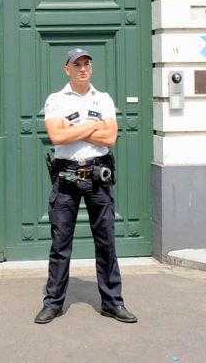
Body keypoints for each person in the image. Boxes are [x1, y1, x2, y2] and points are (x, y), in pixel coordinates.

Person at [34, 47, 137, 325]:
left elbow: (111, 137)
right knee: (60, 245)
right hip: (66, 178)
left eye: (86, 63)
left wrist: (74, 129)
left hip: (97, 177)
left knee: (106, 243)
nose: (82, 68)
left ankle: (113, 303)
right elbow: (57, 136)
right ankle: (53, 303)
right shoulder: (56, 100)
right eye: (76, 64)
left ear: (90, 68)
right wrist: (92, 127)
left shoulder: (103, 99)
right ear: (67, 69)